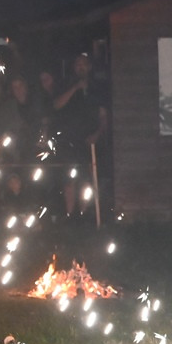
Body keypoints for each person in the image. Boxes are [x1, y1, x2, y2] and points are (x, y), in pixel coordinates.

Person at [52, 53, 109, 219]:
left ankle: (85, 215)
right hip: (69, 141)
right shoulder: (65, 85)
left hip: (89, 141)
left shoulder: (97, 88)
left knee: (87, 180)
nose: (80, 67)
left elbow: (104, 116)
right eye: (78, 64)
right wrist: (75, 88)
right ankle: (70, 216)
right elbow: (56, 105)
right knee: (69, 181)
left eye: (84, 64)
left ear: (89, 67)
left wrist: (98, 134)